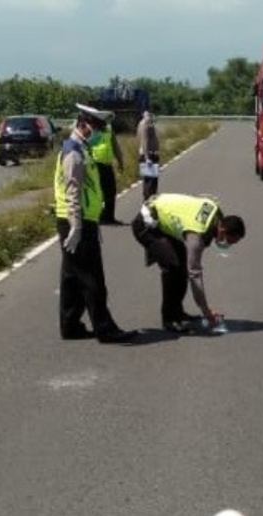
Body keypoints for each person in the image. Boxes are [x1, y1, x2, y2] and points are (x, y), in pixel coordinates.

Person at [53, 103, 137, 344]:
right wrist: (77, 226)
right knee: (92, 280)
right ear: (82, 125)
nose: (99, 132)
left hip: (76, 220)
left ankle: (70, 326)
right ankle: (105, 329)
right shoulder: (74, 152)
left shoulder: (82, 148)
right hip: (77, 222)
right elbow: (72, 192)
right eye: (96, 127)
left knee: (71, 277)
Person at [130, 193, 246, 333]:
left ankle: (177, 312)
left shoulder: (217, 214)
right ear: (222, 230)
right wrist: (206, 310)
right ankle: (169, 319)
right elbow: (195, 274)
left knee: (181, 266)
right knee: (172, 267)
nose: (228, 244)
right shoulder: (196, 237)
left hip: (163, 220)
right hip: (147, 224)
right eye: (230, 241)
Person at [87, 107, 125, 225]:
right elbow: (85, 146)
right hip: (94, 164)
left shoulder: (108, 129)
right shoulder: (92, 129)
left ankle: (109, 217)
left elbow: (115, 145)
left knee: (111, 191)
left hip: (107, 164)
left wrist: (120, 161)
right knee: (97, 192)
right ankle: (95, 216)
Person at [136, 110, 161, 201]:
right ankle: (147, 203)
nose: (151, 117)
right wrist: (147, 158)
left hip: (151, 155)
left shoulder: (147, 124)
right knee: (149, 184)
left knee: (152, 182)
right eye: (149, 114)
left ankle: (150, 202)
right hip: (148, 156)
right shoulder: (144, 124)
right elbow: (144, 141)